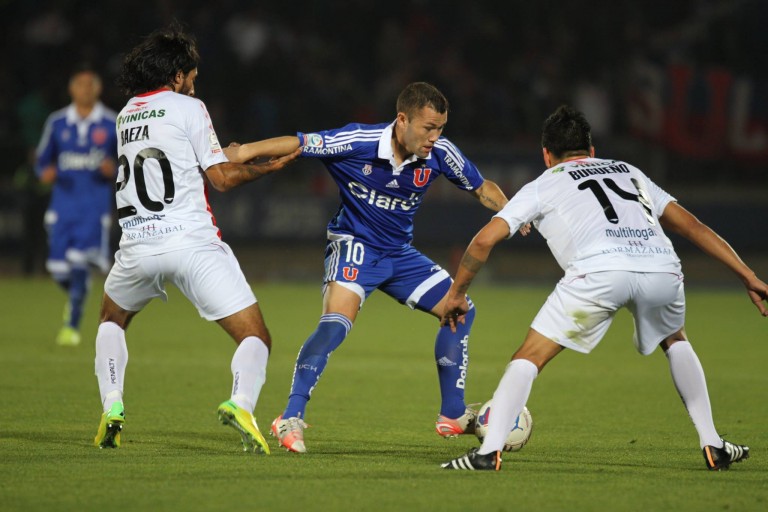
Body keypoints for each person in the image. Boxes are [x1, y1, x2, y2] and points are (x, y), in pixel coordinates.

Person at [440, 105, 767, 471]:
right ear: (592, 151)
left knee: (529, 357)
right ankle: (713, 444)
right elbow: (691, 226)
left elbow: (483, 242)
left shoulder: (544, 183)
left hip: (599, 273)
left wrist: (457, 293)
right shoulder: (630, 171)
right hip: (661, 268)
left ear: (546, 155)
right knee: (675, 339)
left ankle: (488, 454)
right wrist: (747, 275)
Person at [227, 82, 522, 453]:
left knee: (459, 309)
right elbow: (300, 143)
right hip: (354, 246)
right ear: (402, 120)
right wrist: (244, 152)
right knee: (335, 325)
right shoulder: (358, 141)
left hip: (399, 254)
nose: (435, 137)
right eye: (428, 128)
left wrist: (512, 211)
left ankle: (452, 414)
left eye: (441, 128)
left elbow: (481, 188)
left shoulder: (440, 154)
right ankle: (289, 416)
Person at [92, 24, 299, 452]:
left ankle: (112, 405)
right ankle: (241, 404)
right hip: (191, 243)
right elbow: (221, 179)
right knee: (255, 336)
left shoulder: (126, 113)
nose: (194, 82)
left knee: (112, 320)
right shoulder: (189, 107)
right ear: (176, 76)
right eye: (191, 75)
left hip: (136, 246)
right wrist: (266, 168)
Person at [35, 65, 118, 346]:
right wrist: (43, 172)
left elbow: (128, 164)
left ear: (98, 89)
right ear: (72, 89)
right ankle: (78, 291)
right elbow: (41, 160)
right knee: (59, 270)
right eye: (80, 85)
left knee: (80, 262)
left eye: (90, 84)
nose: (85, 89)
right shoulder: (57, 122)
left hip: (94, 210)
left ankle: (71, 325)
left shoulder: (111, 123)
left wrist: (114, 170)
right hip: (62, 208)